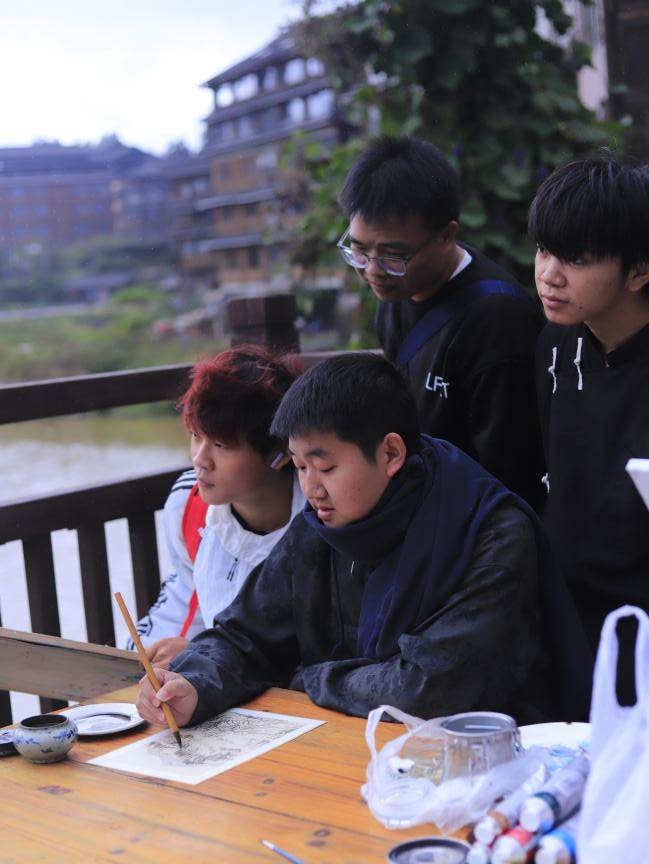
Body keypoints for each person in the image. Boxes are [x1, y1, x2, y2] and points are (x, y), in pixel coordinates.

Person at [136, 353, 592, 730]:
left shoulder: (490, 535)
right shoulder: (318, 527)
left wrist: (310, 678)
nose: (312, 488)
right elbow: (245, 635)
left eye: (326, 467)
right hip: (351, 747)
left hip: (488, 760)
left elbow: (429, 688)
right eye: (299, 466)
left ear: (391, 453)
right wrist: (193, 685)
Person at [337, 136, 545, 509]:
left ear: (446, 236)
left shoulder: (498, 321)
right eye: (359, 250)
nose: (372, 271)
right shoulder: (396, 291)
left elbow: (511, 474)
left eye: (393, 255)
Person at [530, 153, 649, 686]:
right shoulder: (553, 344)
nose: (549, 275)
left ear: (639, 270)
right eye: (544, 250)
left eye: (576, 259)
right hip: (564, 615)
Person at [129, 346, 305, 668]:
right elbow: (186, 599)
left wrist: (205, 655)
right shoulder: (188, 504)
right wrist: (138, 657)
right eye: (196, 436)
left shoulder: (324, 516)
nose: (200, 460)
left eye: (221, 444)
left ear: (280, 451)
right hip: (224, 683)